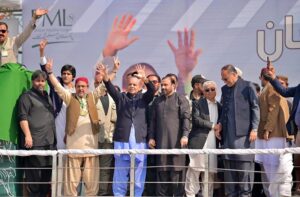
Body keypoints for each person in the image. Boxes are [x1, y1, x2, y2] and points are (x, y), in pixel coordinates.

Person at [45, 58, 106, 196]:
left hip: (90, 147)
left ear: (87, 87)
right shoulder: (69, 97)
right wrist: (49, 72)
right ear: (75, 87)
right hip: (73, 146)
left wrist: (111, 72)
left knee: (91, 182)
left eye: (83, 86)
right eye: (78, 86)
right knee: (71, 182)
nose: (81, 89)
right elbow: (57, 86)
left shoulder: (92, 97)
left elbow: (103, 86)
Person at [99, 63, 155, 197]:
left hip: (139, 141)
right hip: (122, 141)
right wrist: (106, 76)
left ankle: (137, 195)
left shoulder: (144, 98)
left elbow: (152, 90)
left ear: (140, 86)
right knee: (120, 175)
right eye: (130, 84)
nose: (132, 86)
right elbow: (110, 88)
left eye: (135, 84)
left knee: (139, 174)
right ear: (126, 85)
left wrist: (145, 78)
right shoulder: (121, 98)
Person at [216, 64, 260, 197]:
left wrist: (255, 128)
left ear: (234, 75)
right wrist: (219, 124)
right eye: (223, 79)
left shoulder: (248, 86)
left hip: (244, 138)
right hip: (228, 139)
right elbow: (224, 110)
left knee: (244, 175)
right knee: (229, 177)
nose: (224, 82)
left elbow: (255, 108)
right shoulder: (225, 89)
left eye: (226, 78)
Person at [148, 74, 190, 197]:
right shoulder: (158, 101)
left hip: (177, 146)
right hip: (161, 147)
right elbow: (153, 121)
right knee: (162, 183)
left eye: (166, 85)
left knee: (177, 183)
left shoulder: (181, 99)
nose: (163, 87)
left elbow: (186, 118)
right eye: (162, 85)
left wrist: (185, 135)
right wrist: (151, 137)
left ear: (174, 85)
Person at [18, 70, 56, 197]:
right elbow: (22, 117)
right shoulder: (26, 96)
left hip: (49, 145)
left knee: (45, 183)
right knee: (34, 182)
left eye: (43, 81)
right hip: (35, 144)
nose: (41, 83)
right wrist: (28, 135)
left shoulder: (47, 95)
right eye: (38, 80)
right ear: (33, 81)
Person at [255, 68, 292, 197]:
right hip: (271, 134)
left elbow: (273, 109)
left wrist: (267, 129)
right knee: (270, 170)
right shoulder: (268, 88)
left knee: (274, 169)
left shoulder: (271, 88)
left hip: (273, 134)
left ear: (262, 77)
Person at [266, 64, 300, 194]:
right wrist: (273, 77)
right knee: (297, 160)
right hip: (299, 131)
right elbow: (284, 91)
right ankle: (298, 186)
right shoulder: (299, 88)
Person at [185, 80, 221, 197]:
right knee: (194, 173)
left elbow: (221, 122)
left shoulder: (220, 106)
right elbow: (196, 120)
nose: (210, 91)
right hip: (199, 143)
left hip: (213, 145)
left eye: (212, 89)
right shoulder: (197, 103)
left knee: (209, 175)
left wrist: (219, 128)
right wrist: (213, 126)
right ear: (203, 92)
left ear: (216, 91)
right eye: (207, 90)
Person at [39, 39, 76, 149]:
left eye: (68, 74)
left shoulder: (77, 90)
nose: (65, 76)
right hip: (58, 120)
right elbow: (46, 71)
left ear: (73, 77)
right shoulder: (57, 84)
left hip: (72, 123)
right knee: (59, 148)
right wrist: (42, 52)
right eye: (63, 73)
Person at [94, 60, 119, 196]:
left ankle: (102, 194)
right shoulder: (90, 97)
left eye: (101, 83)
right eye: (97, 83)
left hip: (108, 140)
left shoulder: (114, 99)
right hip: (93, 140)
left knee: (105, 170)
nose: (100, 86)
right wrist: (113, 71)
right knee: (91, 169)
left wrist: (112, 70)